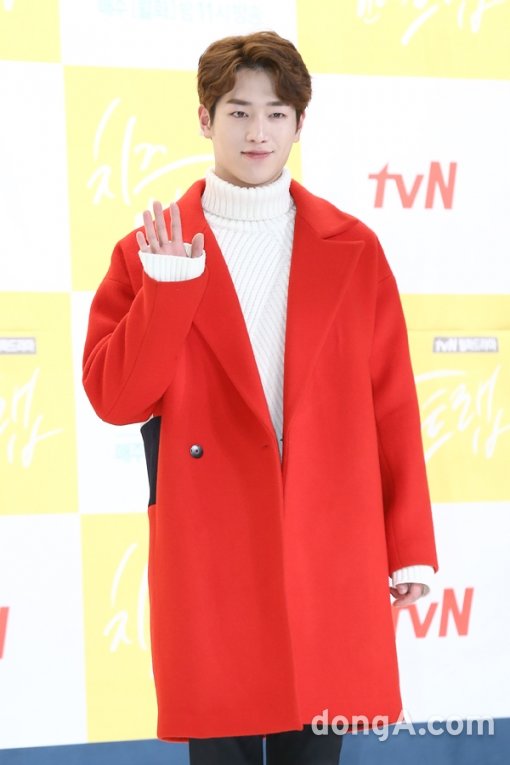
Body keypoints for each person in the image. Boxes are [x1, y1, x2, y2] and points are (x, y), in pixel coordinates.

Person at [82, 30, 439, 765]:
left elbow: (393, 406)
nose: (258, 132)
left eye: (276, 114)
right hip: (212, 539)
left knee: (316, 741)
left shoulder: (354, 247)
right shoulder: (151, 249)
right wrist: (167, 290)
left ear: (299, 124)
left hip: (327, 532)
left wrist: (409, 548)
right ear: (205, 119)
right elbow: (117, 399)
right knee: (224, 739)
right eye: (239, 112)